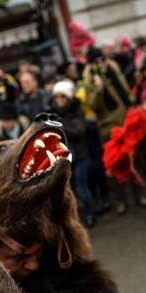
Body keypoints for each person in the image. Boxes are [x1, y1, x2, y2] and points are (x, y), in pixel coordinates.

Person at [82, 47, 136, 215]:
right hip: (108, 128)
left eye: (102, 60)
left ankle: (138, 194)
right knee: (114, 165)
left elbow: (126, 92)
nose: (101, 64)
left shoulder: (113, 70)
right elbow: (93, 106)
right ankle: (121, 200)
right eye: (96, 62)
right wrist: (99, 87)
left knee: (132, 159)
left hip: (125, 122)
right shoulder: (89, 81)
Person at [51, 79, 96, 228]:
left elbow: (79, 131)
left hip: (81, 155)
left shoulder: (77, 110)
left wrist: (60, 127)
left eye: (62, 96)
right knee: (70, 190)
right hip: (64, 158)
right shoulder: (52, 112)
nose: (59, 100)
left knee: (83, 187)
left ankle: (90, 214)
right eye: (57, 96)